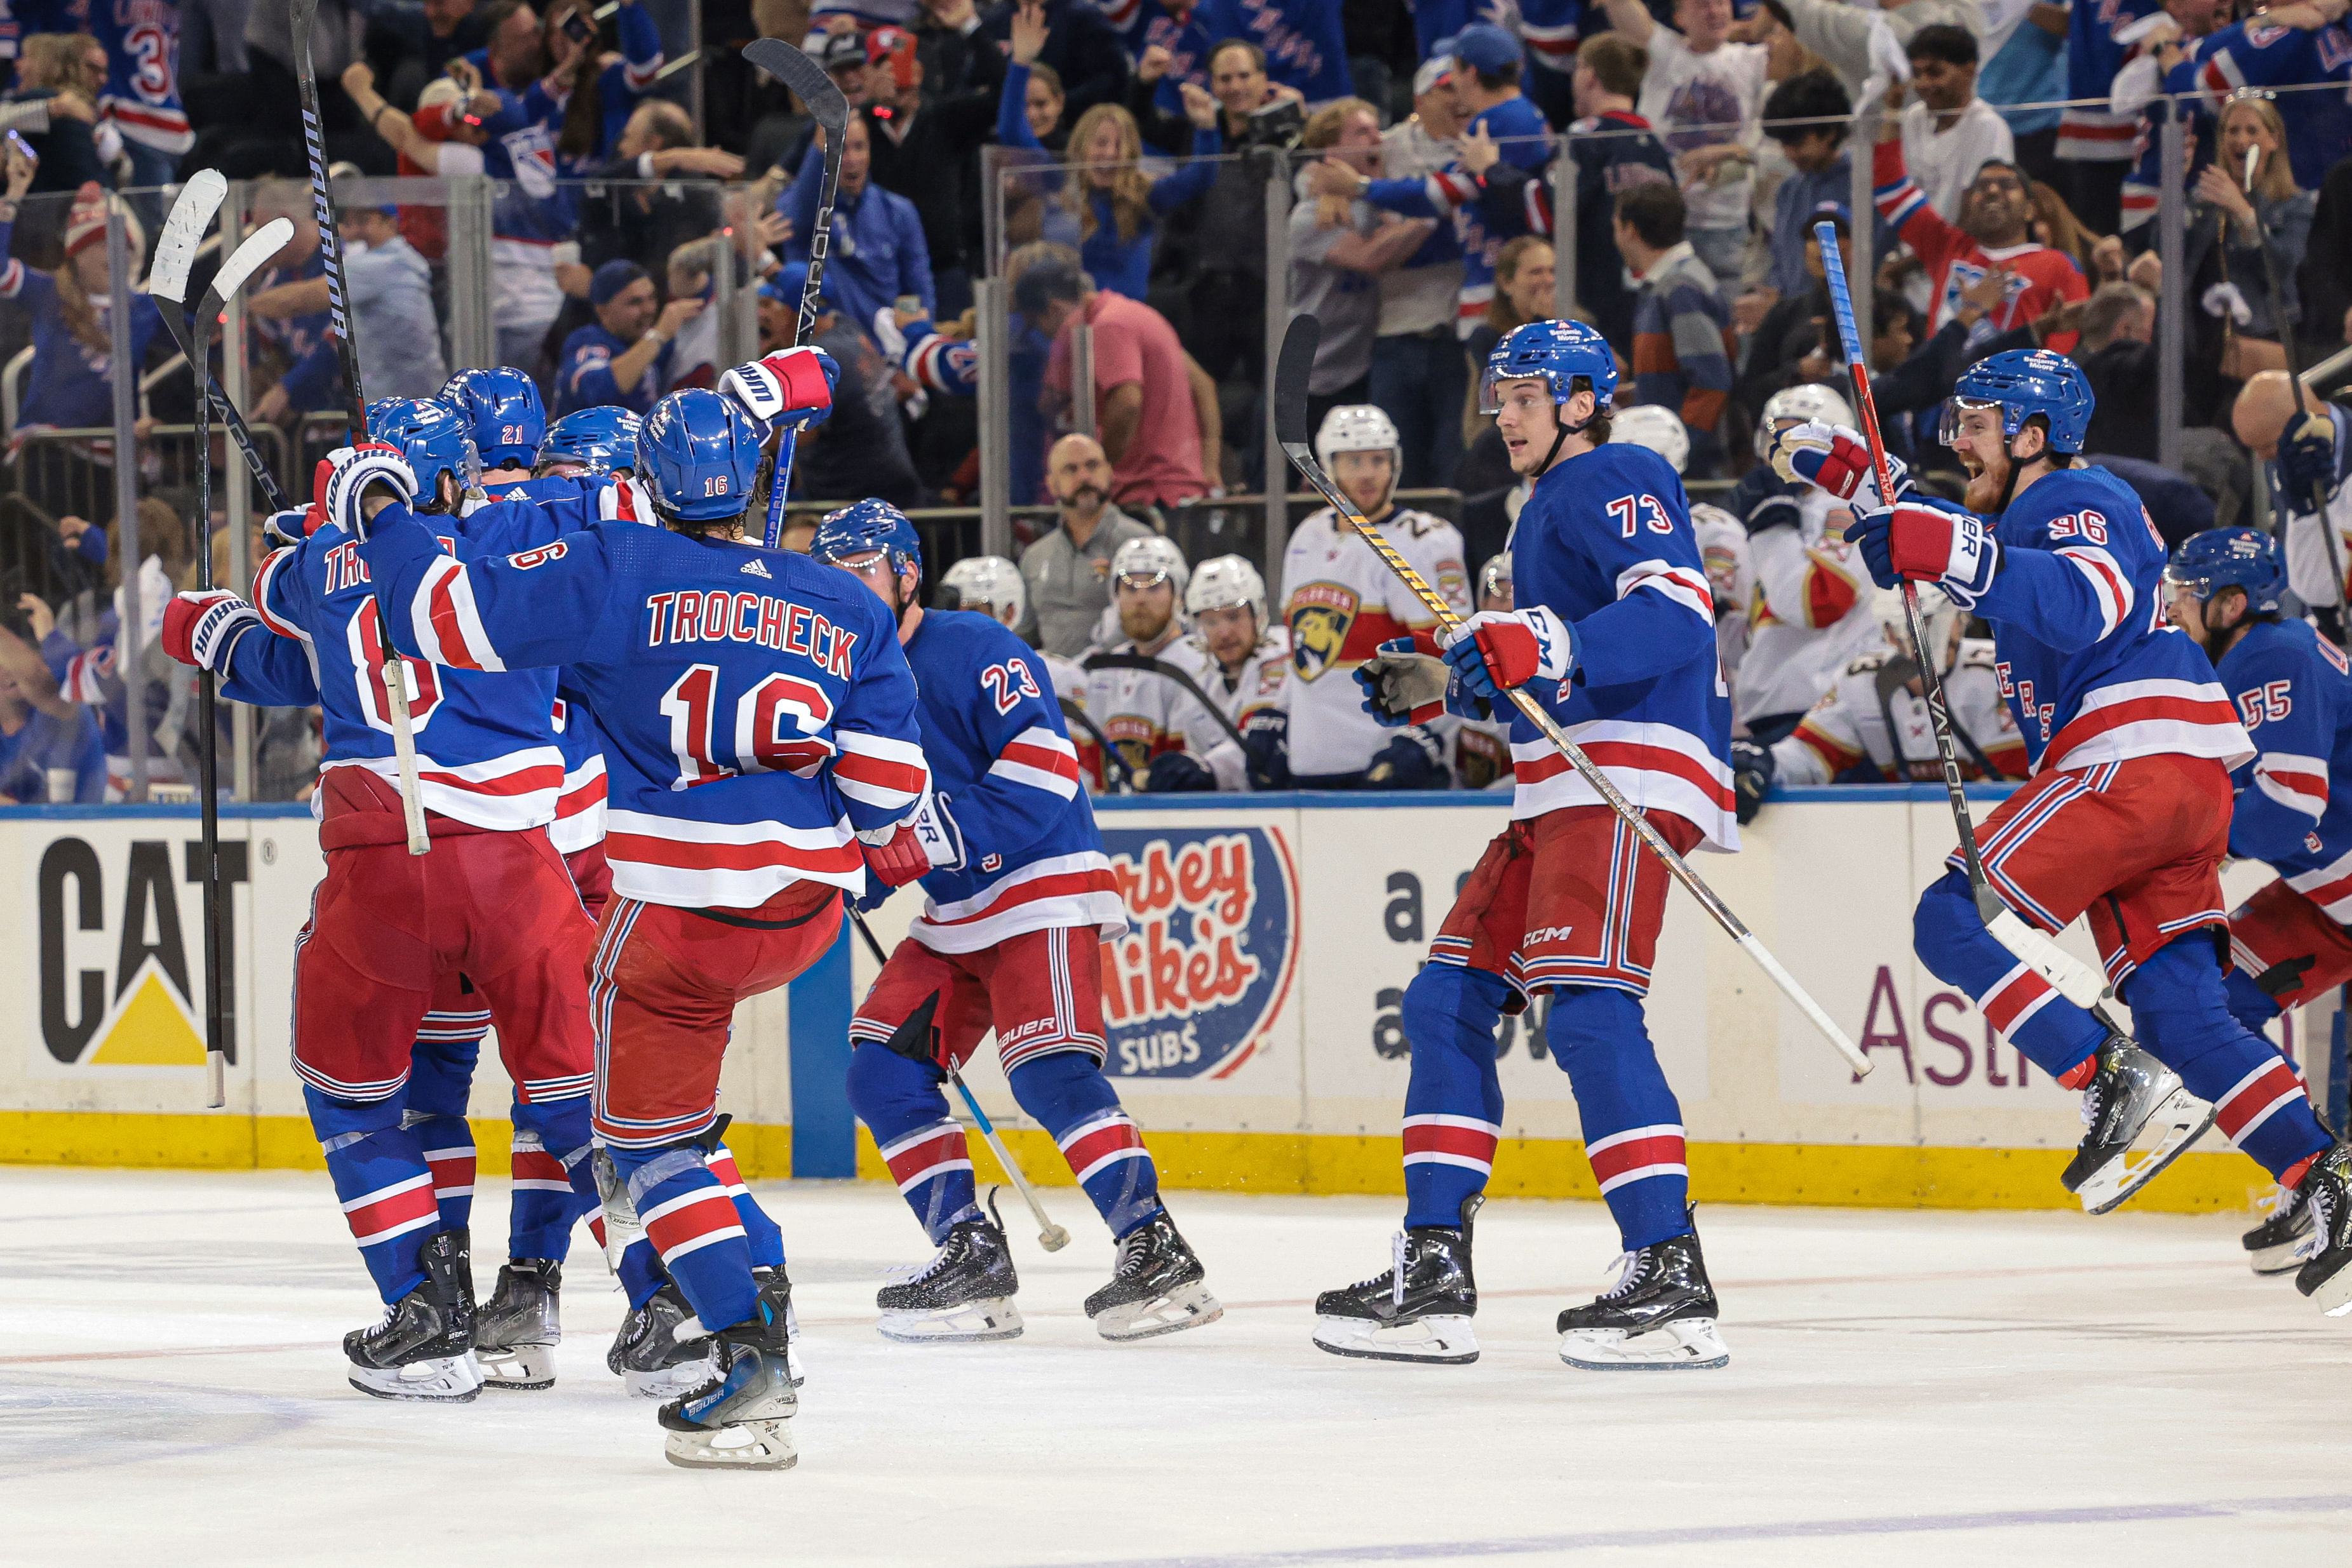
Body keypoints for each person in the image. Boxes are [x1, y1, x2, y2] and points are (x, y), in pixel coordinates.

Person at [351, 361, 935, 1470]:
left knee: (639, 1145)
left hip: (679, 911)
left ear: (649, 487)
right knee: (670, 1116)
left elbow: (436, 614)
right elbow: (890, 799)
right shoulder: (846, 599)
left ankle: (746, 1344)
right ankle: (744, 1264)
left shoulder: (615, 562)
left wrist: (378, 504)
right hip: (805, 912)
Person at [1826, 349, 2352, 1299]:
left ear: (2032, 436)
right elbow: (1964, 543)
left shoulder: (2071, 495)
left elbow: (2082, 598)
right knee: (2182, 1013)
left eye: (1976, 427)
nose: (1959, 442)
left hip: (2125, 763)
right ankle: (2320, 1172)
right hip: (2174, 783)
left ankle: (2099, 1070)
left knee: (1946, 920)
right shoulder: (2026, 512)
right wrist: (1849, 476)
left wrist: (1931, 546)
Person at [157, 398, 606, 1406]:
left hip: (384, 868)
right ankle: (680, 1303)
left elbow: (277, 628)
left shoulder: (316, 565)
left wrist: (206, 619)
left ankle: (426, 1311)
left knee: (362, 1100)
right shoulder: (520, 538)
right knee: (588, 1101)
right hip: (529, 866)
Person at [1318, 319, 1737, 1369]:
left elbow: (1677, 613)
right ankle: (1434, 1262)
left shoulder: (1617, 470)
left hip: (1628, 773)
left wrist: (1541, 638)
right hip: (1559, 784)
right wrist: (1442, 678)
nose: (1498, 413)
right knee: (1445, 998)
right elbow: (1542, 672)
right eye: (1495, 396)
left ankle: (1668, 1267)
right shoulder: (1541, 510)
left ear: (1580, 401)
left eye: (1520, 395)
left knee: (1590, 1010)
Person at [816, 500, 1222, 1341]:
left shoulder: (974, 646)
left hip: (1041, 883)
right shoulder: (841, 689)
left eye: (859, 574)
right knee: (880, 1072)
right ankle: (966, 1251)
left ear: (905, 574)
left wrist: (918, 840)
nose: (843, 593)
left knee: (1046, 1073)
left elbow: (1043, 773)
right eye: (829, 579)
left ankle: (1153, 1250)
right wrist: (845, 863)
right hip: (957, 909)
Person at [2161, 526, 2352, 1278]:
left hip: (2331, 883)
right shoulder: (2246, 657)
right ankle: (2315, 1177)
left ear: (2232, 603)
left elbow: (2286, 807)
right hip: (2324, 891)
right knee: (2210, 1002)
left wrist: (2182, 845)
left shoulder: (2269, 655)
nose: (2173, 611)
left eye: (2185, 597)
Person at [1277, 405, 1470, 789]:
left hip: (1387, 760)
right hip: (1311, 764)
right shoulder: (1306, 536)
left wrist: (1427, 737)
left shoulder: (1426, 542)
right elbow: (1298, 653)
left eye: (1378, 460)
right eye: (1353, 461)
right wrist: (1277, 716)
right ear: (1327, 469)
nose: (1367, 474)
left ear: (1395, 464)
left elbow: (1457, 655)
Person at [1327, 25, 1549, 346]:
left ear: (1470, 73)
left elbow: (1443, 192)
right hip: (1495, 282)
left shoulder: (1499, 119)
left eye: (1455, 69)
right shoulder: (1519, 114)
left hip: (1504, 290)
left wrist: (1362, 187)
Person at [1730, 584, 2027, 822]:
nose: (1921, 638)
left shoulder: (1997, 673)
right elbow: (1809, 756)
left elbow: (2012, 787)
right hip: (1901, 835)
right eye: (1908, 626)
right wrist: (1764, 763)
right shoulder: (1860, 680)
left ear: (1961, 620)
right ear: (1887, 632)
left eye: (1934, 622)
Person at [1871, 93, 2088, 352]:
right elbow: (1890, 189)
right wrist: (1893, 108)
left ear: (2030, 209)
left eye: (2007, 185)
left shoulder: (2059, 265)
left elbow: (2068, 345)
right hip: (1944, 391)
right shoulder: (1947, 246)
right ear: (1968, 204)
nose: (1993, 191)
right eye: (1981, 186)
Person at [1727, 384, 1882, 741]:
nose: (1779, 450)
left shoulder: (1848, 506)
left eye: (1796, 437)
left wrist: (1771, 527)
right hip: (1777, 705)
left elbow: (1820, 601)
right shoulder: (1785, 505)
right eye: (1774, 438)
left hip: (1824, 705)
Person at [1597, 0, 1778, 295]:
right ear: (1679, 17)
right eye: (1702, 5)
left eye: (1721, 3)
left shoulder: (1752, 60)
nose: (1715, 12)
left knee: (1728, 324)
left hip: (1728, 223)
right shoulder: (1665, 54)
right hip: (1662, 224)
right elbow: (1625, 13)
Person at [1289, 97, 1438, 424]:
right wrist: (1432, 210)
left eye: (1376, 130)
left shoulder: (1376, 203)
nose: (1377, 139)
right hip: (1306, 378)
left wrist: (1377, 187)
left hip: (1358, 369)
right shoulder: (1312, 214)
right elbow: (1370, 257)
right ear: (1332, 151)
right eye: (1361, 132)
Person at [1020, 256, 1209, 510]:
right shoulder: (1134, 314)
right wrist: (1210, 466)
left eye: (1036, 325)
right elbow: (1203, 384)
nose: (1044, 336)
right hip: (1172, 489)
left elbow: (1128, 402)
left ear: (1054, 309)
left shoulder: (1109, 326)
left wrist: (1095, 469)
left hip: (1145, 494)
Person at [1371, 56, 1470, 488]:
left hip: (1457, 334)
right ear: (1419, 99)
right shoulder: (1388, 146)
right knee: (1397, 464)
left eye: (1463, 86)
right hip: (1395, 328)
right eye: (1446, 88)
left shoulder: (1481, 147)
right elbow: (1322, 173)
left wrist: (1410, 224)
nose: (1458, 97)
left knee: (1455, 459)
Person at [1075, 535, 1239, 791]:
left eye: (1154, 587)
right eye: (1130, 588)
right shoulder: (1100, 670)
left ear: (1179, 596)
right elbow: (1086, 770)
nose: (1140, 599)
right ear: (1115, 597)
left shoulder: (1202, 665)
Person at [1616, 183, 1736, 477]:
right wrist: (1638, 394)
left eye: (1616, 227)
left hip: (1692, 472)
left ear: (1630, 231)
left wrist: (1676, 456)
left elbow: (1712, 383)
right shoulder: (1671, 285)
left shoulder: (1681, 288)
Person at [781, 114, 935, 342]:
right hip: (824, 354)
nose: (851, 159)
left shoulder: (899, 211)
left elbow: (919, 290)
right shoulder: (805, 213)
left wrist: (915, 346)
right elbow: (796, 218)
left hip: (885, 358)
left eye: (860, 147)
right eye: (840, 149)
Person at [1019, 432, 1157, 658]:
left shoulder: (1141, 544)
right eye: (1071, 469)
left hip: (1122, 679)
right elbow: (1024, 635)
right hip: (1053, 683)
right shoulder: (1034, 556)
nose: (1084, 476)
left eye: (1092, 466)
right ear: (1052, 485)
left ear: (1110, 473)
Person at [1899, 25, 2016, 221]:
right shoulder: (1913, 119)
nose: (1923, 83)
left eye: (1935, 73)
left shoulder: (1988, 126)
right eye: (1917, 74)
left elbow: (1977, 209)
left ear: (1969, 70)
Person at [554, 260, 698, 417]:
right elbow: (597, 392)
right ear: (603, 312)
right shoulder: (585, 340)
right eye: (635, 302)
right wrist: (658, 335)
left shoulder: (646, 343)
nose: (649, 309)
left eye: (652, 298)